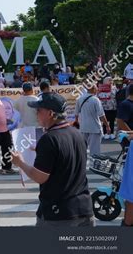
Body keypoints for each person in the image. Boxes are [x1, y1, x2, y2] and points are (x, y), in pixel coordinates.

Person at [11, 92, 94, 227]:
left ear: (50, 113)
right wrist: (41, 151)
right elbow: (64, 158)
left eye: (39, 110)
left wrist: (20, 162)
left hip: (59, 215)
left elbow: (39, 177)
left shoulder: (49, 139)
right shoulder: (77, 133)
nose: (36, 113)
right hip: (84, 209)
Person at [74, 85, 110, 156]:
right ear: (93, 89)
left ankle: (82, 164)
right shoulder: (95, 100)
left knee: (83, 149)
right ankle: (94, 165)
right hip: (95, 127)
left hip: (83, 127)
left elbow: (76, 113)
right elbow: (101, 115)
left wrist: (77, 122)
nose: (97, 89)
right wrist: (107, 126)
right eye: (96, 88)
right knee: (95, 150)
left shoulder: (80, 98)